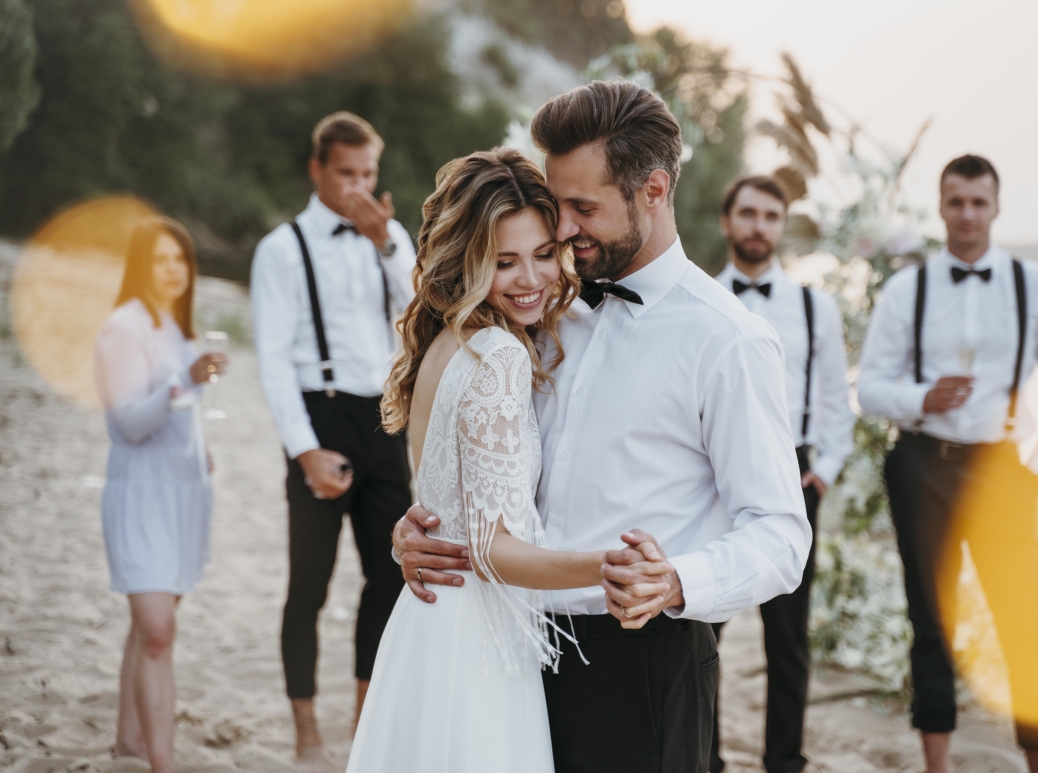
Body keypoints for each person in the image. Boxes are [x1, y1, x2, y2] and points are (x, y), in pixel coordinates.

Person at [393, 81, 812, 773]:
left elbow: (780, 533)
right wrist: (424, 526)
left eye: (584, 208)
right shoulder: (542, 313)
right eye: (558, 206)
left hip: (641, 662)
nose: (561, 230)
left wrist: (675, 579)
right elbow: (481, 464)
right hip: (515, 652)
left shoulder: (729, 340)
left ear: (653, 190)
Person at [347, 146, 675, 773]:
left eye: (544, 254)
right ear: (469, 263)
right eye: (505, 262)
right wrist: (611, 565)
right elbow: (491, 548)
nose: (531, 279)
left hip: (429, 622)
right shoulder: (498, 354)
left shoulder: (447, 342)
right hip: (479, 631)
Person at [857, 154, 1038, 773]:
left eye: (978, 202)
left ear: (996, 207)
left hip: (1001, 471)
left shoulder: (1033, 287)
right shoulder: (908, 290)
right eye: (956, 202)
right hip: (921, 464)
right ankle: (938, 766)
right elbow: (870, 389)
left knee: (1025, 621)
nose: (967, 214)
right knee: (931, 622)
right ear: (940, 207)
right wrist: (919, 399)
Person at [249, 111, 417, 768]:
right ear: (318, 170)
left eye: (369, 174)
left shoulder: (391, 236)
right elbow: (271, 359)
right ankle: (305, 728)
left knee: (390, 579)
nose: (358, 187)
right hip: (318, 419)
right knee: (309, 585)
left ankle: (365, 723)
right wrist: (303, 449)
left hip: (384, 421)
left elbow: (423, 308)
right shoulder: (281, 248)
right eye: (346, 173)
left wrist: (386, 243)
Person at [711, 176, 855, 773]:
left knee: (788, 637)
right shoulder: (703, 296)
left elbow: (834, 400)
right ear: (728, 221)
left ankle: (784, 761)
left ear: (782, 225)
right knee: (704, 628)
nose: (758, 225)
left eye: (771, 215)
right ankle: (706, 758)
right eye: (748, 213)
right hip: (713, 474)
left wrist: (820, 473)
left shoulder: (813, 307)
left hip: (791, 475)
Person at [95, 217, 229, 773]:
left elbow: (180, 415)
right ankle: (160, 761)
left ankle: (128, 739)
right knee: (157, 631)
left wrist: (201, 446)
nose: (173, 271)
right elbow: (129, 423)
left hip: (183, 495)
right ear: (139, 267)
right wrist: (186, 382)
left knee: (149, 625)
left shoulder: (176, 326)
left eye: (180, 261)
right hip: (143, 495)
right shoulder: (123, 328)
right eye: (160, 261)